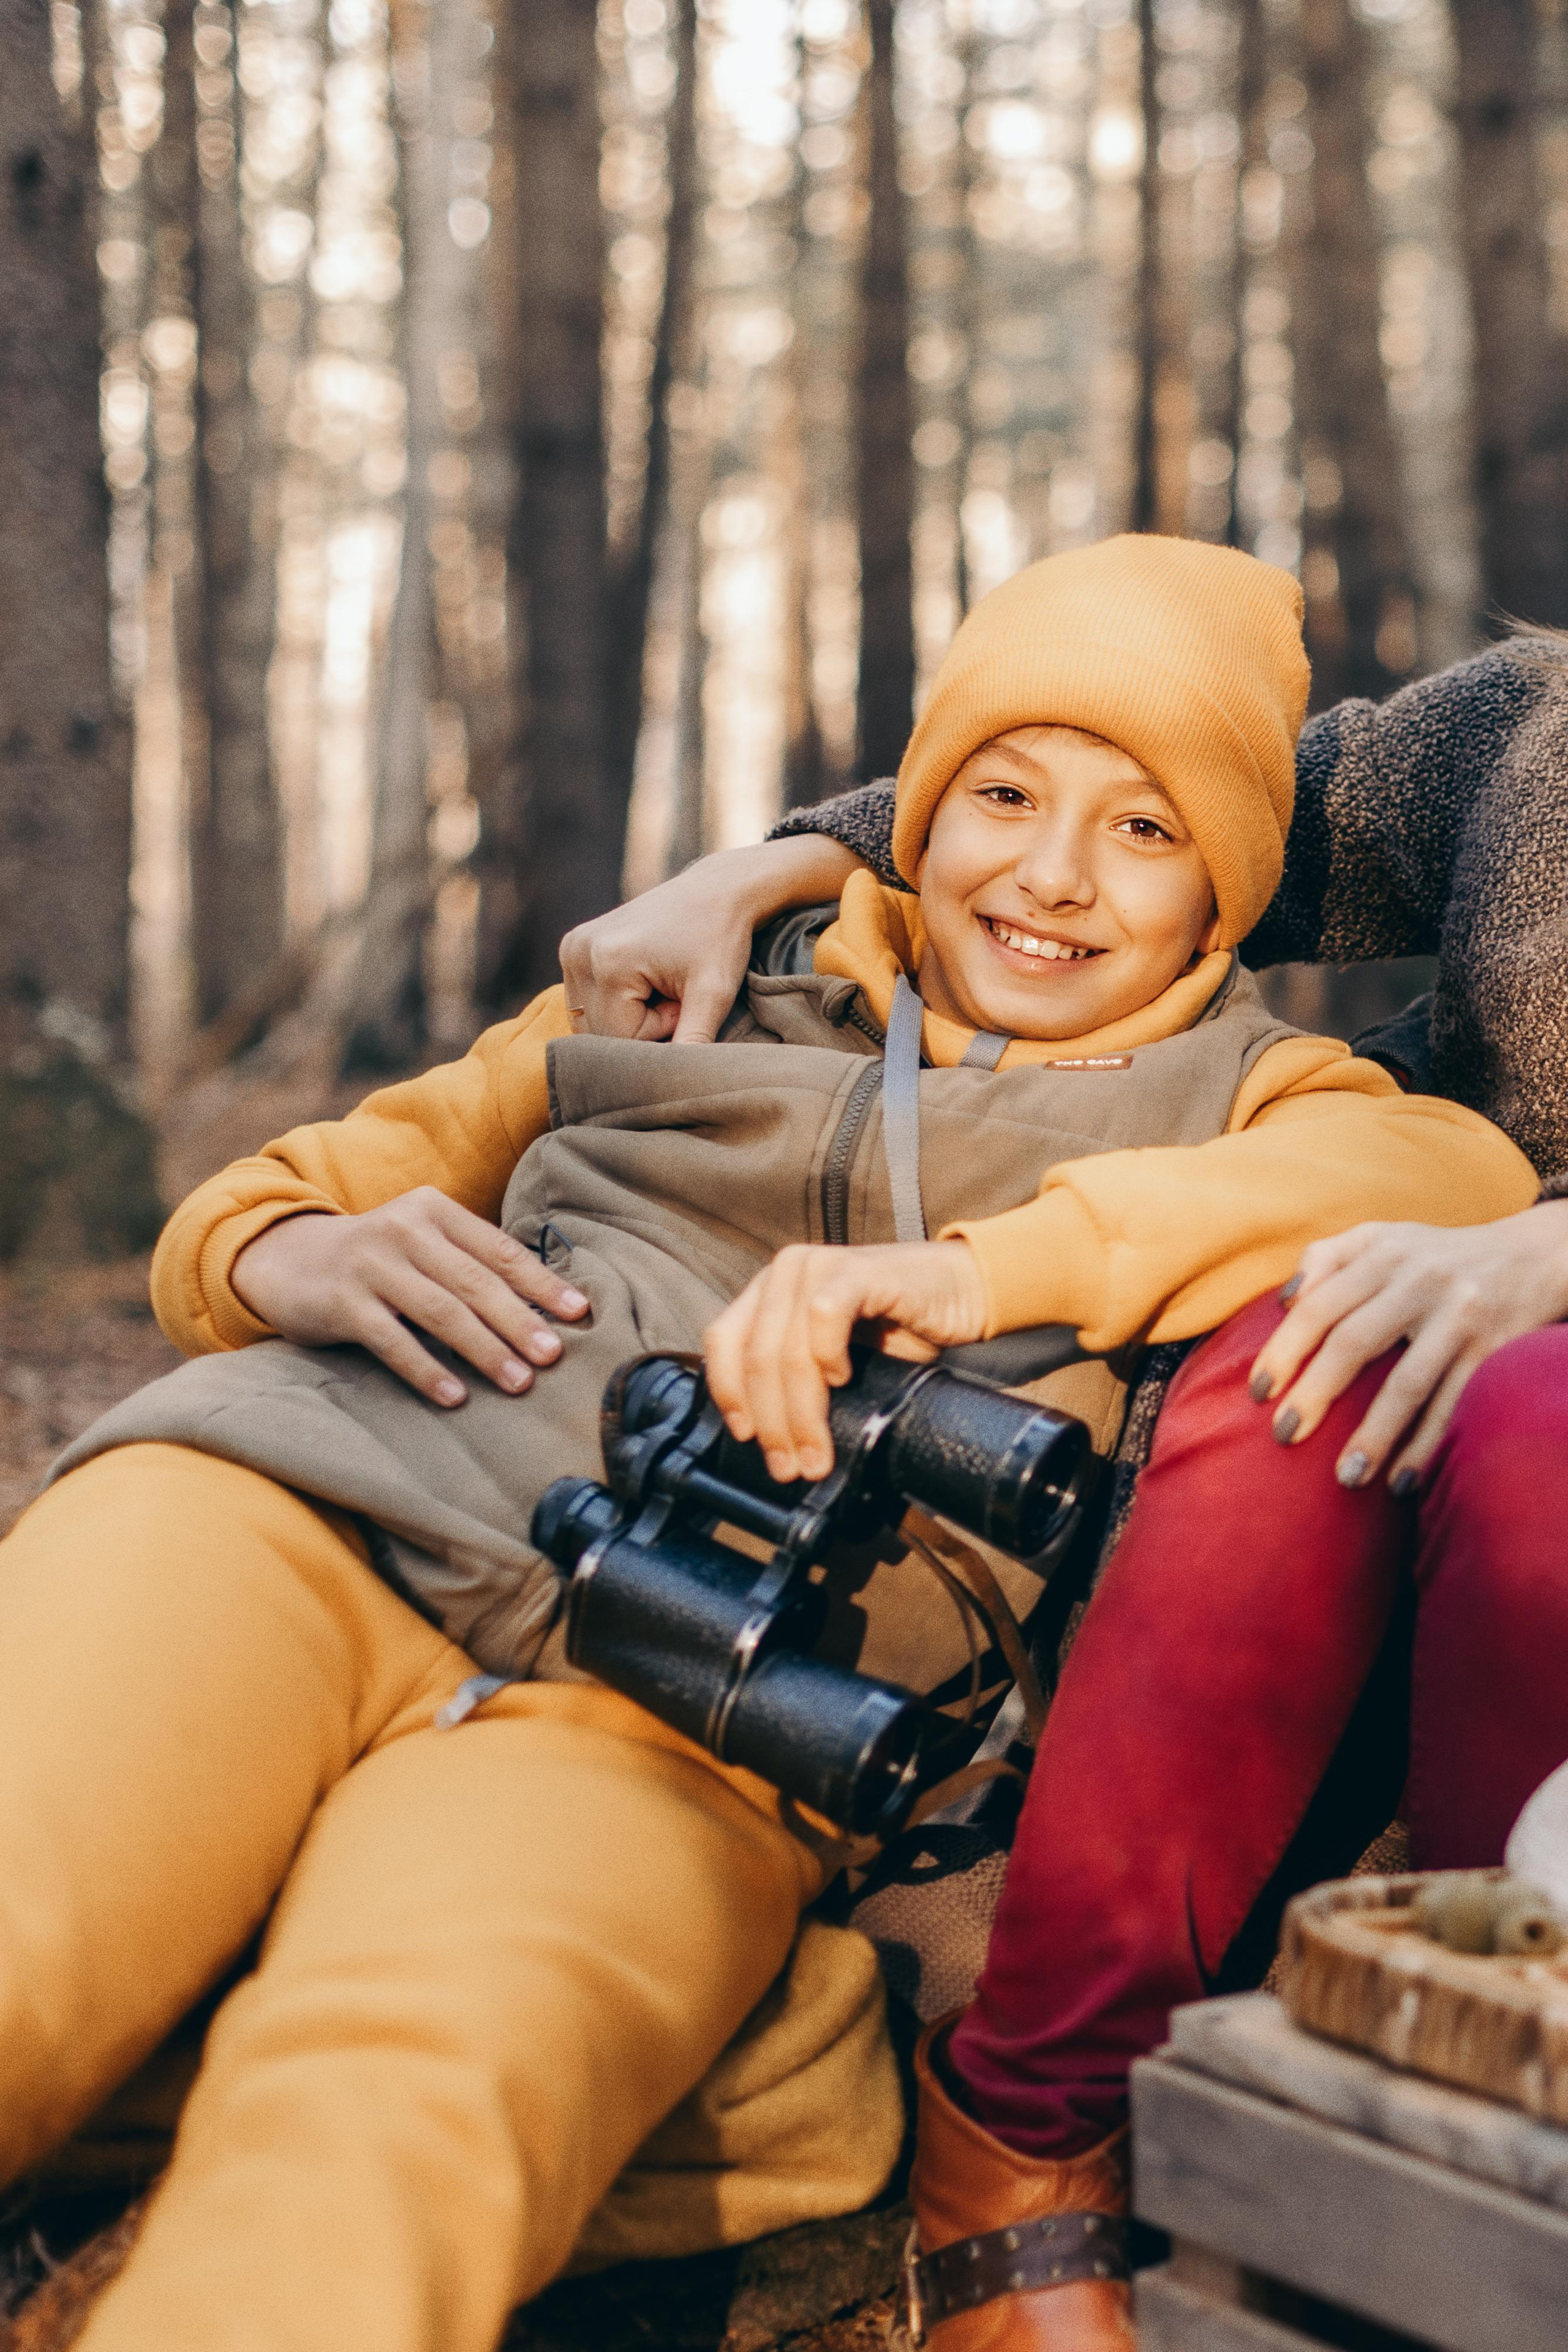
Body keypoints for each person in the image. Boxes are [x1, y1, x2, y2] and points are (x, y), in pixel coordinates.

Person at [0, 537, 1535, 2352]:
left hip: (694, 1708)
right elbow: (261, 1207)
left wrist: (977, 1277)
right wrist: (298, 1248)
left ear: (1233, 892)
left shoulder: (1277, 1095)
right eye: (1004, 795)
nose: (1049, 877)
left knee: (402, 2119)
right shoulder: (713, 979)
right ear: (920, 813)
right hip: (294, 1503)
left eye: (1145, 830)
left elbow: (1457, 1177)